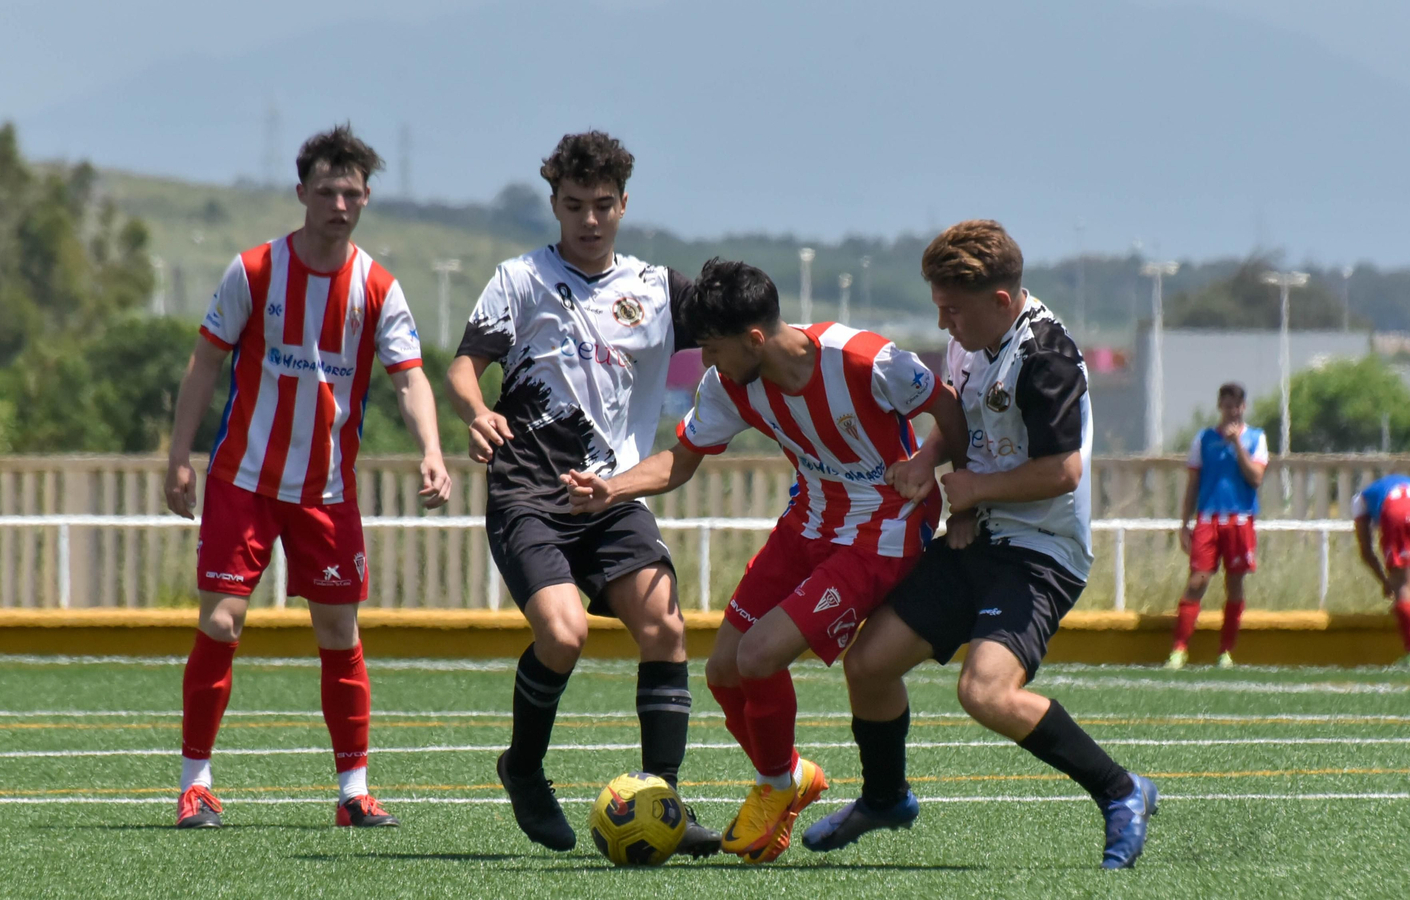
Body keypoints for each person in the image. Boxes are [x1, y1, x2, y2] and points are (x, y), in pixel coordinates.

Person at [564, 258, 964, 863]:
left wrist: (940, 475)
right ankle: (791, 775)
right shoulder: (728, 385)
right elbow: (682, 458)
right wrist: (612, 489)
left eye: (713, 348)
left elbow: (951, 408)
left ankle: (776, 786)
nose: (706, 363)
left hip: (883, 533)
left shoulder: (865, 359)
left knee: (758, 655)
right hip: (806, 525)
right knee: (724, 669)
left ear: (755, 338)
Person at [802, 220, 1158, 870]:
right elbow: (964, 416)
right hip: (982, 535)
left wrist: (969, 490)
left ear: (1000, 301)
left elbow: (1062, 472)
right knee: (868, 664)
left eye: (953, 311)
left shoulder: (1047, 357)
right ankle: (885, 799)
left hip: (1042, 553)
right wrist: (933, 458)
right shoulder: (974, 339)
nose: (945, 327)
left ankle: (1122, 789)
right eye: (939, 308)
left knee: (985, 692)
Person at [164, 125, 452, 829]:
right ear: (301, 193)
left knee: (337, 631)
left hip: (327, 491)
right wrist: (177, 456)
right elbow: (204, 363)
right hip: (245, 481)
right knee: (223, 622)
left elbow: (410, 378)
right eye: (325, 190)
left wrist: (433, 450)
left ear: (366, 198)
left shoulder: (378, 286)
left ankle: (353, 791)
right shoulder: (256, 270)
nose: (339, 203)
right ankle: (195, 783)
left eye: (351, 192)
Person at [443, 131, 718, 856]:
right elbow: (465, 367)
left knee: (665, 629)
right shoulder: (520, 280)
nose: (589, 220)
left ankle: (664, 801)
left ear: (625, 204)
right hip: (530, 492)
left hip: (613, 495)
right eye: (574, 206)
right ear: (555, 204)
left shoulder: (659, 289)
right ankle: (523, 769)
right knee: (563, 635)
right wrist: (478, 413)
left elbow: (739, 327)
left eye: (603, 205)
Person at [1166, 383, 1269, 670]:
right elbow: (1193, 483)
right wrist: (1184, 523)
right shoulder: (1204, 439)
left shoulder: (1256, 438)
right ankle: (1179, 649)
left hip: (1240, 519)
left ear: (1243, 407)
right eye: (1226, 405)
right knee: (1197, 580)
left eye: (1236, 405)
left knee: (1234, 584)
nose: (1231, 410)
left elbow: (1256, 478)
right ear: (1220, 406)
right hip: (1208, 518)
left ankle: (1225, 652)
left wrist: (1237, 445)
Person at [1352, 474, 1410, 670]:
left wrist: (1386, 582)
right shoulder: (1405, 487)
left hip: (1397, 509)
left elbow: (1366, 552)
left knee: (1401, 584)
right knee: (1408, 581)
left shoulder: (1360, 500)